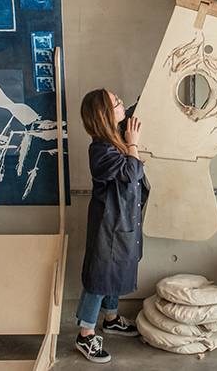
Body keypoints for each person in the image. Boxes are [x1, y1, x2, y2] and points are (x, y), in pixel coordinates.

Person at [75, 89, 149, 363]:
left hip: (124, 219)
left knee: (117, 269)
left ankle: (111, 317)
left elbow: (135, 109)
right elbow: (131, 172)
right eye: (117, 103)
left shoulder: (115, 132)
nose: (121, 104)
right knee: (100, 276)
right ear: (106, 115)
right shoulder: (101, 149)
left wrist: (152, 87)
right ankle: (85, 334)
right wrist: (133, 145)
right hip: (108, 225)